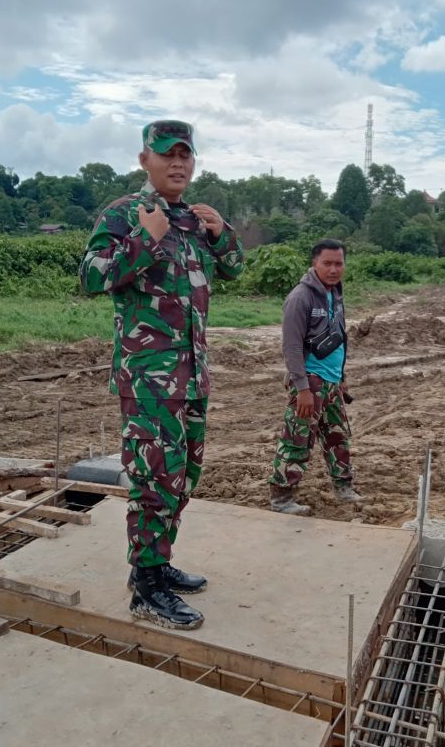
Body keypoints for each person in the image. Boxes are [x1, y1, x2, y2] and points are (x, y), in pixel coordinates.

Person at [79, 120, 244, 630]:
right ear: (144, 159)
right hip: (149, 379)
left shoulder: (195, 219)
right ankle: (145, 588)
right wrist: (144, 241)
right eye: (167, 155)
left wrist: (222, 234)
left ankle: (158, 562)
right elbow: (90, 276)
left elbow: (235, 268)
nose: (178, 164)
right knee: (153, 479)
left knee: (183, 475)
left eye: (186, 155)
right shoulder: (126, 213)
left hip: (192, 376)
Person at [268, 239, 361, 515]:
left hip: (331, 382)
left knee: (338, 438)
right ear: (314, 264)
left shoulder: (335, 293)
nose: (333, 269)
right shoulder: (301, 297)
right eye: (327, 263)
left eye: (339, 263)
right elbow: (292, 346)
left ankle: (343, 487)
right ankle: (282, 498)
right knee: (297, 439)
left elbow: (339, 337)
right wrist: (303, 388)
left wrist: (341, 376)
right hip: (311, 382)